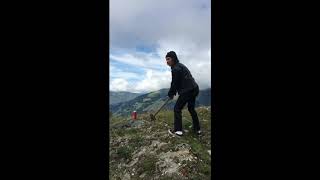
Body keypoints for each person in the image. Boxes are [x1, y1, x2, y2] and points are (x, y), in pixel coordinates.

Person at [165, 51, 201, 137]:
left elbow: (174, 83)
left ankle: (178, 131)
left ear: (173, 58)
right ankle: (197, 129)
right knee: (191, 108)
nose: (167, 61)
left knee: (177, 108)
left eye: (168, 59)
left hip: (187, 91)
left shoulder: (175, 69)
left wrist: (171, 93)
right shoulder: (180, 65)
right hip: (194, 88)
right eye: (166, 59)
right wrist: (173, 92)